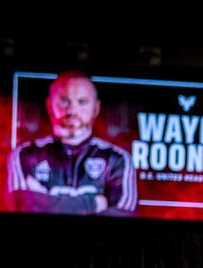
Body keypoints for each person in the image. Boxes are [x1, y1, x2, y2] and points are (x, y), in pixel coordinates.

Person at [7, 70, 137, 215]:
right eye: (64, 101)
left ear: (96, 108)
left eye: (82, 102)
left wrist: (46, 202)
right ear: (49, 106)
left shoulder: (117, 159)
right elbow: (20, 204)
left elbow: (123, 212)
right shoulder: (25, 154)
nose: (72, 110)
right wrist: (93, 204)